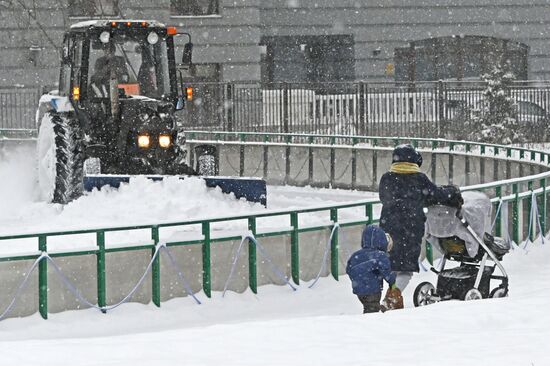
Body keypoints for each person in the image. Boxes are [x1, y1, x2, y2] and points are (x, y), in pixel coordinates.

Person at [379, 144, 463, 292]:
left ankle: (391, 293)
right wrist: (452, 192)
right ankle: (393, 297)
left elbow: (384, 197)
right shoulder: (418, 179)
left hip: (387, 228)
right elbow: (436, 195)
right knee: (405, 268)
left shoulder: (386, 179)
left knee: (391, 264)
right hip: (410, 229)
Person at [346, 225, 403, 313]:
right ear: (382, 240)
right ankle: (370, 324)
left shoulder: (356, 255)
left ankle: (375, 312)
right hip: (373, 290)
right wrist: (392, 283)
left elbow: (349, 270)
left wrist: (358, 281)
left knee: (369, 307)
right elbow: (386, 272)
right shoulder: (380, 255)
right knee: (372, 311)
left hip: (359, 291)